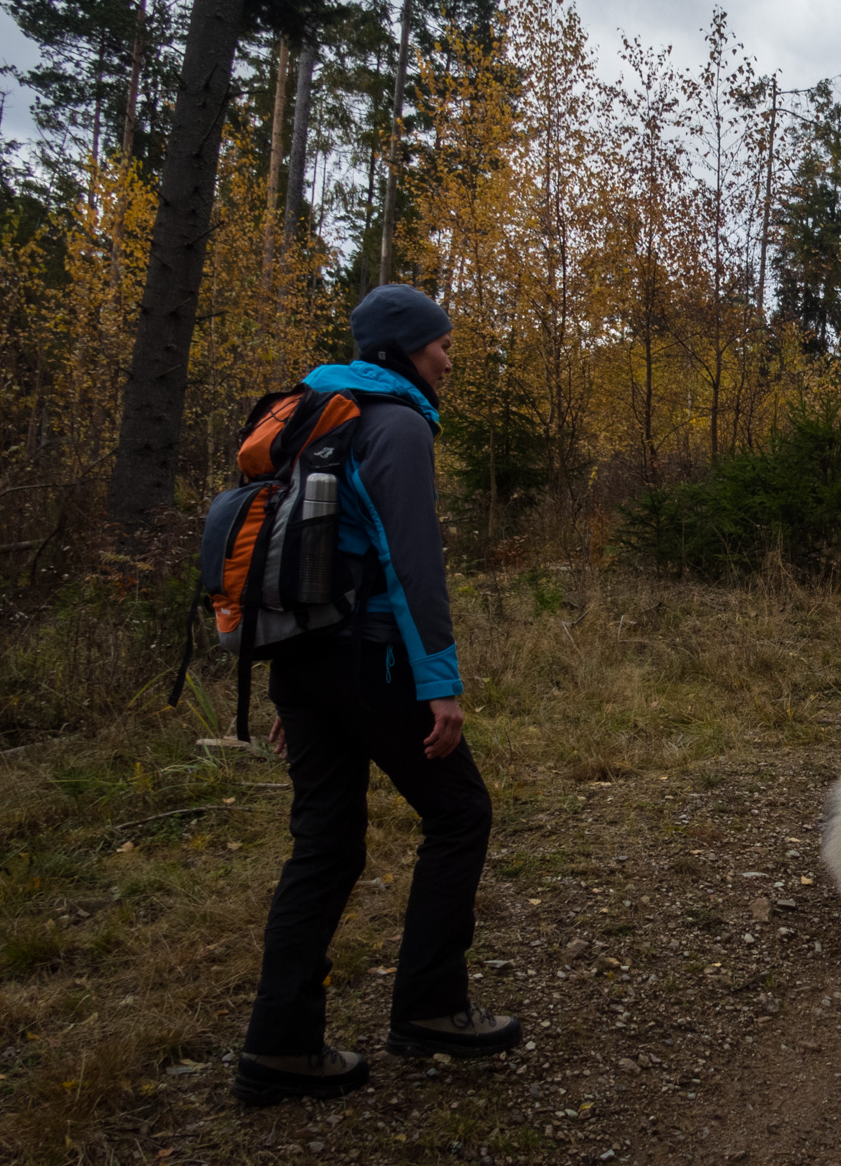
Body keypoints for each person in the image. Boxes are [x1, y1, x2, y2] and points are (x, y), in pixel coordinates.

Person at [233, 285, 520, 1107]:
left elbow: (276, 557)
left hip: (303, 660)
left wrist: (295, 694)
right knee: (460, 813)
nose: (449, 358)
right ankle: (431, 1008)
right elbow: (412, 565)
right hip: (372, 659)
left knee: (324, 845)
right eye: (440, 344)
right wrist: (442, 686)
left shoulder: (312, 414)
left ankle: (279, 1045)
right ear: (400, 349)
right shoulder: (392, 424)